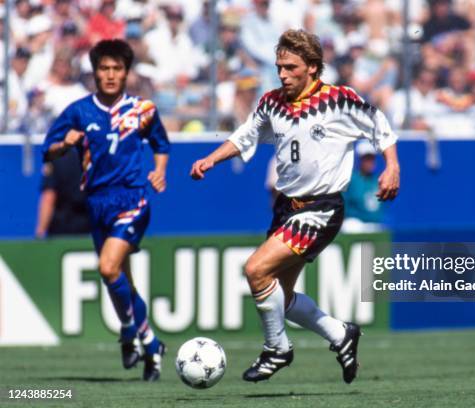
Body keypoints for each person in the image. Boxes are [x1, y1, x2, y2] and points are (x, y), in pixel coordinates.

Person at [190, 29, 400, 383]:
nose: (283, 74)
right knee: (280, 298)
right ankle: (341, 335)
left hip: (321, 209)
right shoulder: (272, 102)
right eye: (279, 67)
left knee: (256, 270)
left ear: (313, 68)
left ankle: (277, 349)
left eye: (290, 67)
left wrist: (392, 167)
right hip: (287, 208)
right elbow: (245, 135)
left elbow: (380, 126)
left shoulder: (339, 101)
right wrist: (212, 158)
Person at [41, 39, 170, 382]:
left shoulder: (142, 109)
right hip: (96, 203)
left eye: (117, 69)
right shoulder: (78, 111)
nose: (110, 75)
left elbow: (160, 143)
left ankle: (131, 332)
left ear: (127, 72)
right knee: (117, 277)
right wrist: (62, 145)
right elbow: (47, 151)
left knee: (108, 266)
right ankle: (149, 343)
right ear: (95, 72)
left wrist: (159, 171)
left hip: (132, 199)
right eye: (104, 69)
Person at [35, 148, 90, 239]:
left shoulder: (56, 157)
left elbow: (49, 197)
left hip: (62, 229)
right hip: (90, 227)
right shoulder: (95, 156)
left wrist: (40, 231)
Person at [341, 140, 385, 233]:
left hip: (373, 224)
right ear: (360, 160)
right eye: (366, 158)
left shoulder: (378, 180)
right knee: (350, 226)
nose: (369, 162)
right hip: (355, 222)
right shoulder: (351, 179)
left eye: (371, 158)